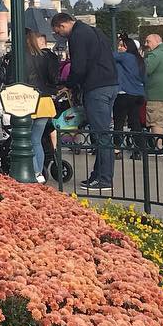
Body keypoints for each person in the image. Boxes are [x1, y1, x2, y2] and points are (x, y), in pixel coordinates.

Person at [51, 12, 119, 192]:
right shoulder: (94, 31)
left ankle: (104, 179)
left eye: (57, 32)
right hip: (110, 85)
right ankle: (98, 174)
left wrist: (69, 84)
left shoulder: (77, 36)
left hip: (96, 88)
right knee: (102, 132)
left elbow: (79, 66)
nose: (59, 35)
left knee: (102, 134)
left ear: (62, 25)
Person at [26, 29, 60, 183]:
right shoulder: (45, 57)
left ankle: (33, 172)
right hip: (44, 100)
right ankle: (39, 173)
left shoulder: (21, 57)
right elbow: (53, 78)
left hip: (27, 100)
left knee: (26, 139)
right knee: (36, 139)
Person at [112, 35, 146, 157]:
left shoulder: (125, 57)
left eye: (122, 46)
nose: (119, 48)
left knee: (119, 122)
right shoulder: (139, 60)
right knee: (135, 122)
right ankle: (138, 149)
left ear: (128, 48)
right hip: (138, 94)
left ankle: (117, 149)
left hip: (124, 93)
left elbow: (109, 55)